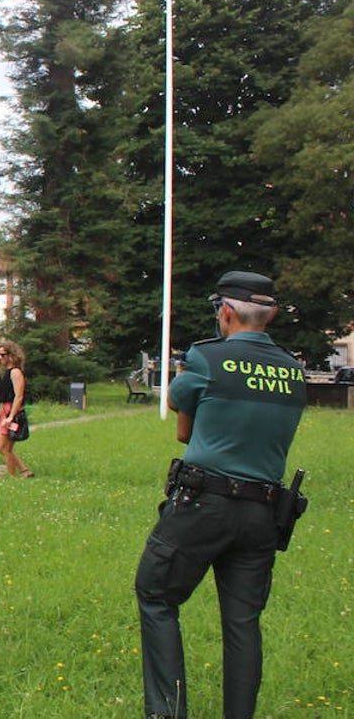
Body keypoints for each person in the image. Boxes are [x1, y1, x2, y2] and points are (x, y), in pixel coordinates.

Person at [135, 271, 308, 719]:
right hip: (264, 511)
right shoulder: (292, 369)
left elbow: (179, 410)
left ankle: (167, 713)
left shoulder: (207, 357)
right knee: (243, 623)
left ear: (225, 312)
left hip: (202, 502)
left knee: (156, 595)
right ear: (268, 315)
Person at [0, 340, 33, 478]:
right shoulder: (7, 372)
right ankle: (23, 471)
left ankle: (13, 475)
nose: (0, 358)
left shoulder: (15, 372)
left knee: (2, 446)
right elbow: (4, 398)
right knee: (5, 447)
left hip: (12, 411)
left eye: (3, 355)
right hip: (5, 410)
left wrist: (11, 416)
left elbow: (18, 396)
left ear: (12, 355)